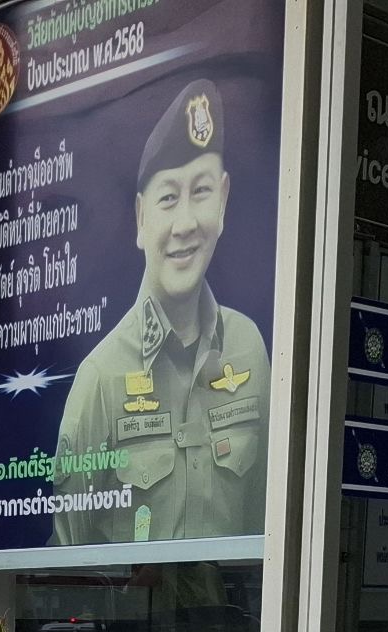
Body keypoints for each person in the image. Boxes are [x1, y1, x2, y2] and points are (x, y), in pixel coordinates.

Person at [51, 79, 270, 547]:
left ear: (224, 200)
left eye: (202, 191)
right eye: (168, 197)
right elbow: (68, 564)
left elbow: (266, 527)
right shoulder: (101, 379)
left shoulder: (249, 349)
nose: (185, 223)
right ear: (140, 218)